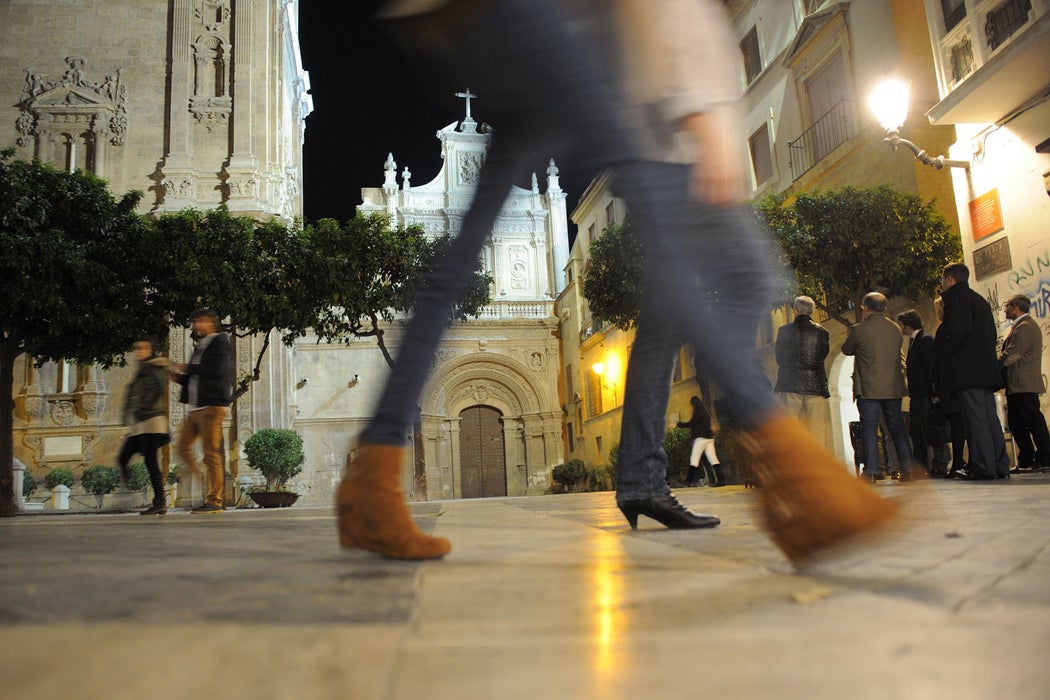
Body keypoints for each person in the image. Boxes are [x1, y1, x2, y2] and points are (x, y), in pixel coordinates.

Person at [338, 0, 897, 565]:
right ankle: (801, 482)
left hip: (517, 21)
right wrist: (697, 104)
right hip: (541, 19)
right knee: (661, 230)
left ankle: (372, 477)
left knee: (461, 263)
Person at [936, 262, 1009, 480]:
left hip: (968, 372)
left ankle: (983, 466)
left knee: (975, 421)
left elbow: (957, 333)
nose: (942, 285)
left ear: (950, 280)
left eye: (942, 281)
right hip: (985, 371)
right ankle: (999, 465)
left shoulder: (958, 300)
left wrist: (948, 351)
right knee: (989, 419)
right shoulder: (978, 300)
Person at [842, 293, 916, 482]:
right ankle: (908, 469)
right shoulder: (894, 329)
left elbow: (847, 349)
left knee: (869, 429)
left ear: (866, 308)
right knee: (897, 428)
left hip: (868, 388)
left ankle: (872, 471)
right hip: (892, 387)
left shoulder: (858, 330)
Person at [169, 308, 232, 512]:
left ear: (212, 322)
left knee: (211, 454)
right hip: (196, 407)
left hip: (212, 406)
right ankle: (200, 475)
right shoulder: (200, 345)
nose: (198, 325)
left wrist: (186, 367)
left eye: (202, 321)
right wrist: (176, 376)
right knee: (182, 447)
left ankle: (214, 501)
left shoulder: (220, 341)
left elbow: (215, 370)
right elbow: (196, 376)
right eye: (196, 321)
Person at [117, 337, 170, 516]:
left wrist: (143, 407)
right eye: (137, 348)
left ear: (152, 349)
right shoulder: (144, 368)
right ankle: (132, 493)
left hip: (152, 421)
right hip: (141, 422)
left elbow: (157, 389)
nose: (139, 351)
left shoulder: (154, 367)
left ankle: (159, 501)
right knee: (124, 458)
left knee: (150, 461)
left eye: (143, 348)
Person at [1000, 294, 1050, 471]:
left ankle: (1045, 457)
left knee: (1033, 421)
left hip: (1024, 384)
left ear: (1015, 307)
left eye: (1007, 306)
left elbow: (1012, 354)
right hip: (1016, 385)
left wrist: (995, 365)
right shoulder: (1018, 326)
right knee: (1016, 423)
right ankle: (1027, 458)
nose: (1004, 310)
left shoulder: (1025, 327)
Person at [897, 309, 950, 476]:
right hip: (918, 394)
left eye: (901, 324)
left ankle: (940, 464)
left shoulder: (925, 340)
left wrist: (934, 391)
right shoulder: (915, 341)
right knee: (918, 431)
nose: (899, 327)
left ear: (907, 325)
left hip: (925, 394)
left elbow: (931, 368)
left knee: (933, 429)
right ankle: (922, 466)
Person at [774, 295, 831, 447]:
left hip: (791, 384)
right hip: (816, 384)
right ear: (811, 311)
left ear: (795, 311)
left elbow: (779, 357)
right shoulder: (822, 332)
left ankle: (794, 463)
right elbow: (822, 354)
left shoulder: (784, 331)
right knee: (817, 428)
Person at [677, 396, 722, 487]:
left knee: (694, 460)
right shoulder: (705, 413)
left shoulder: (697, 412)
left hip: (701, 439)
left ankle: (687, 482)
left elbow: (691, 423)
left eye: (691, 405)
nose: (691, 407)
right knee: (713, 460)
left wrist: (678, 424)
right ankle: (721, 481)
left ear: (694, 404)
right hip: (709, 439)